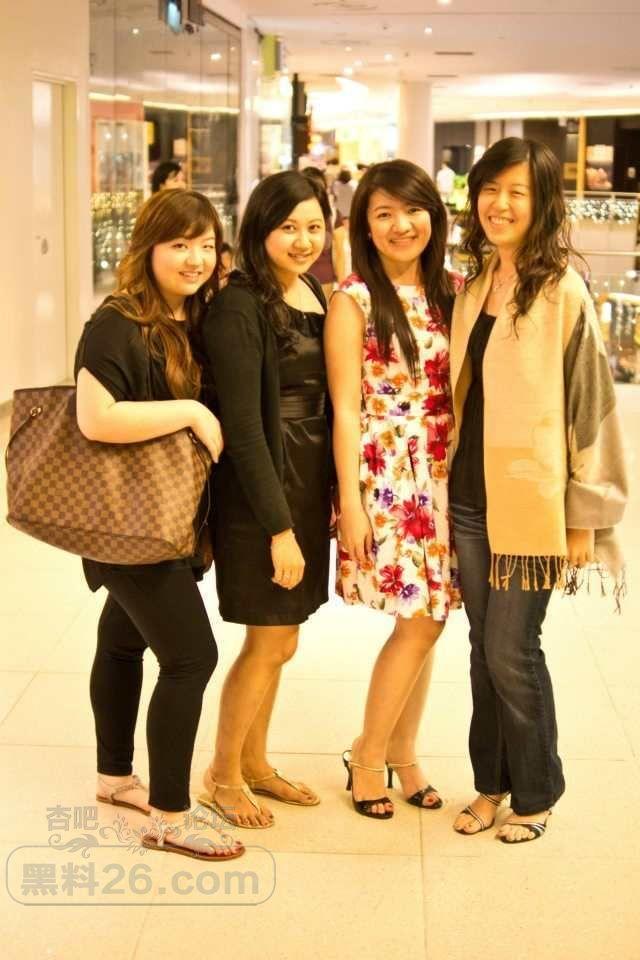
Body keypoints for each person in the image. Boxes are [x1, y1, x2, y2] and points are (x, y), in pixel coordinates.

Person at [449, 137, 627, 844]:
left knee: (511, 650)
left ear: (542, 202)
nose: (499, 204)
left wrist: (584, 519)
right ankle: (489, 783)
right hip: (469, 497)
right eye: (490, 189)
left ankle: (537, 790)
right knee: (480, 648)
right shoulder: (473, 287)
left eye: (516, 192)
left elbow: (592, 409)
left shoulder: (562, 292)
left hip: (533, 504)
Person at [75, 189, 244, 862]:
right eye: (179, 244)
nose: (195, 258)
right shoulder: (117, 321)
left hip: (163, 518)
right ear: (148, 248)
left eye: (206, 244)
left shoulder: (191, 315)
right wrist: (192, 413)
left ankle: (115, 777)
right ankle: (170, 815)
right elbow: (96, 418)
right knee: (191, 657)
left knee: (121, 640)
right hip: (127, 523)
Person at [325, 159, 461, 819]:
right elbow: (345, 409)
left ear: (434, 215)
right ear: (365, 226)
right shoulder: (352, 299)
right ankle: (369, 754)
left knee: (429, 618)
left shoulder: (456, 290)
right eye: (383, 214)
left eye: (412, 210)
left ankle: (403, 753)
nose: (401, 225)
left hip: (444, 471)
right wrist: (349, 503)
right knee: (421, 620)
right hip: (388, 475)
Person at [198, 171, 332, 829]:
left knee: (283, 638)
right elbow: (245, 427)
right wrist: (279, 527)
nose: (304, 240)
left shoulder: (311, 289)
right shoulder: (238, 303)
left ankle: (254, 762)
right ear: (259, 229)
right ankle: (222, 776)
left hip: (304, 477)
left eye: (314, 226)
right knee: (269, 638)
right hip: (262, 488)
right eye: (288, 227)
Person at [302, 166, 337, 301]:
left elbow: (339, 252)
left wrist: (343, 284)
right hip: (296, 278)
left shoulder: (332, 215)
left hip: (324, 279)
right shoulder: (292, 214)